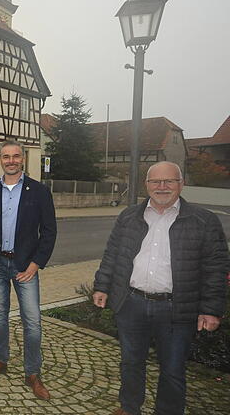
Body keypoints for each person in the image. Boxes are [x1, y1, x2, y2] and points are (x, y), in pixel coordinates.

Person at [92, 161, 228, 415]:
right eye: (156, 181)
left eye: (169, 181)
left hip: (177, 309)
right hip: (132, 304)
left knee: (173, 369)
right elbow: (113, 254)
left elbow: (215, 267)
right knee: (131, 362)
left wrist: (211, 309)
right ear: (146, 185)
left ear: (181, 184)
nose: (162, 187)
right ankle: (129, 407)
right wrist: (102, 286)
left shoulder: (203, 220)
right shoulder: (129, 216)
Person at [0, 139, 56, 400]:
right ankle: (1, 360)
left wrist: (36, 263)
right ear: (0, 160)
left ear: (23, 159)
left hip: (25, 267)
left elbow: (49, 232)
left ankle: (32, 372)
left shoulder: (39, 191)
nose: (11, 161)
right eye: (6, 157)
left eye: (15, 156)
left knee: (32, 321)